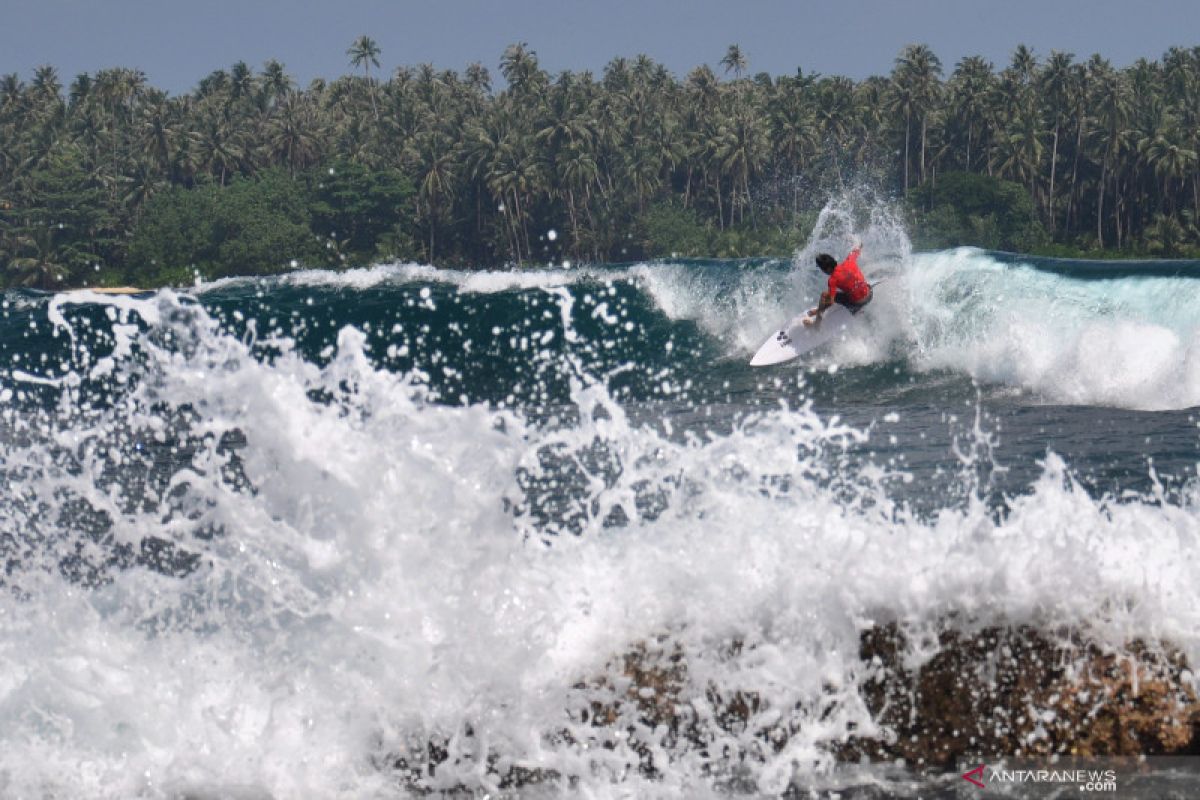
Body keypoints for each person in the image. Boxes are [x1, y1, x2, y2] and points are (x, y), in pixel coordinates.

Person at [803, 242, 872, 327]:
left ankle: (816, 324)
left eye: (821, 268)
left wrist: (819, 310)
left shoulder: (832, 279)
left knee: (824, 295)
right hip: (870, 295)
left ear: (827, 269)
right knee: (857, 283)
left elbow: (831, 302)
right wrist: (860, 244)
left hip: (857, 304)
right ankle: (859, 302)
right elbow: (857, 249)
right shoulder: (849, 261)